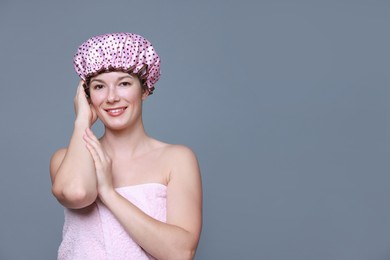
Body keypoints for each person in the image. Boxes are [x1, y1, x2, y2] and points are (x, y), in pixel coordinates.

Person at [50, 32, 202, 260]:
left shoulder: (176, 159)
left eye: (123, 83)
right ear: (87, 96)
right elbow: (77, 193)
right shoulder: (65, 159)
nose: (111, 97)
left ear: (145, 90)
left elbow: (180, 253)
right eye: (99, 87)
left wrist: (109, 193)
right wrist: (82, 120)